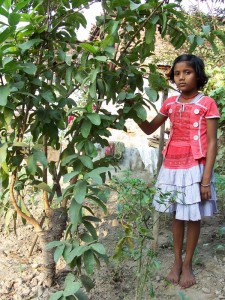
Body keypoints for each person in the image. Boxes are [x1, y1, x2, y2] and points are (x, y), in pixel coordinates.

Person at [136, 54, 220, 288]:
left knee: (193, 216)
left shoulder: (207, 103)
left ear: (198, 75)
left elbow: (213, 142)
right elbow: (149, 128)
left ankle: (188, 264)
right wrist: (131, 108)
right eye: (177, 73)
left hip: (196, 167)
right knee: (176, 215)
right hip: (172, 164)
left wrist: (205, 181)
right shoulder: (170, 104)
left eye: (187, 72)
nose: (181, 78)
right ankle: (175, 262)